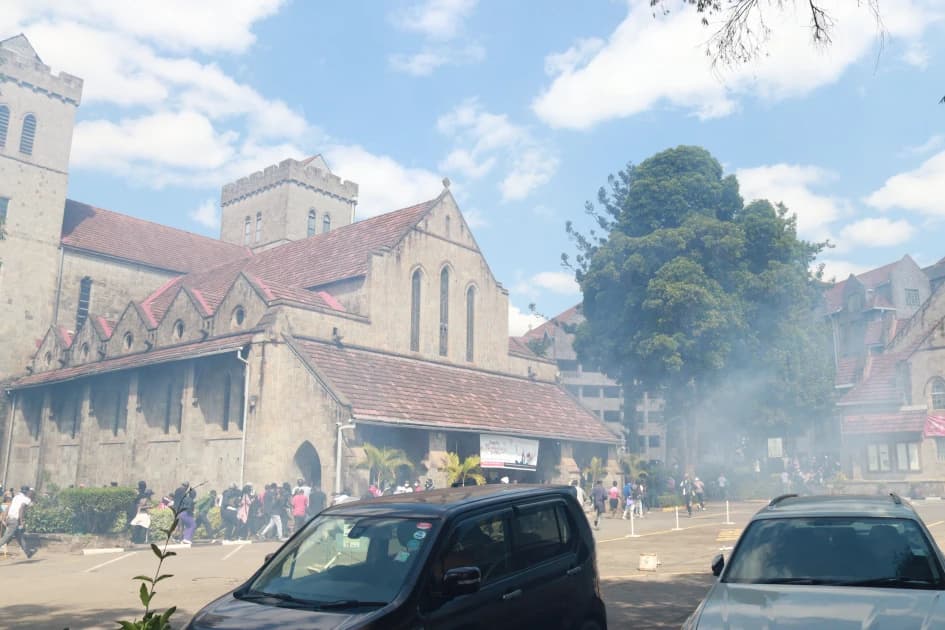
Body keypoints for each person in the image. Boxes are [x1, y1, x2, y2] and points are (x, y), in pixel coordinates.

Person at [0, 486, 35, 558]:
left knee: (19, 537)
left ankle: (28, 552)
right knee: (5, 538)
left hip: (9, 519)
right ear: (27, 492)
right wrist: (22, 522)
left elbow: (9, 507)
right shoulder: (26, 499)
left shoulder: (16, 497)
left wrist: (4, 517)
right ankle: (28, 552)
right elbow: (21, 510)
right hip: (14, 521)